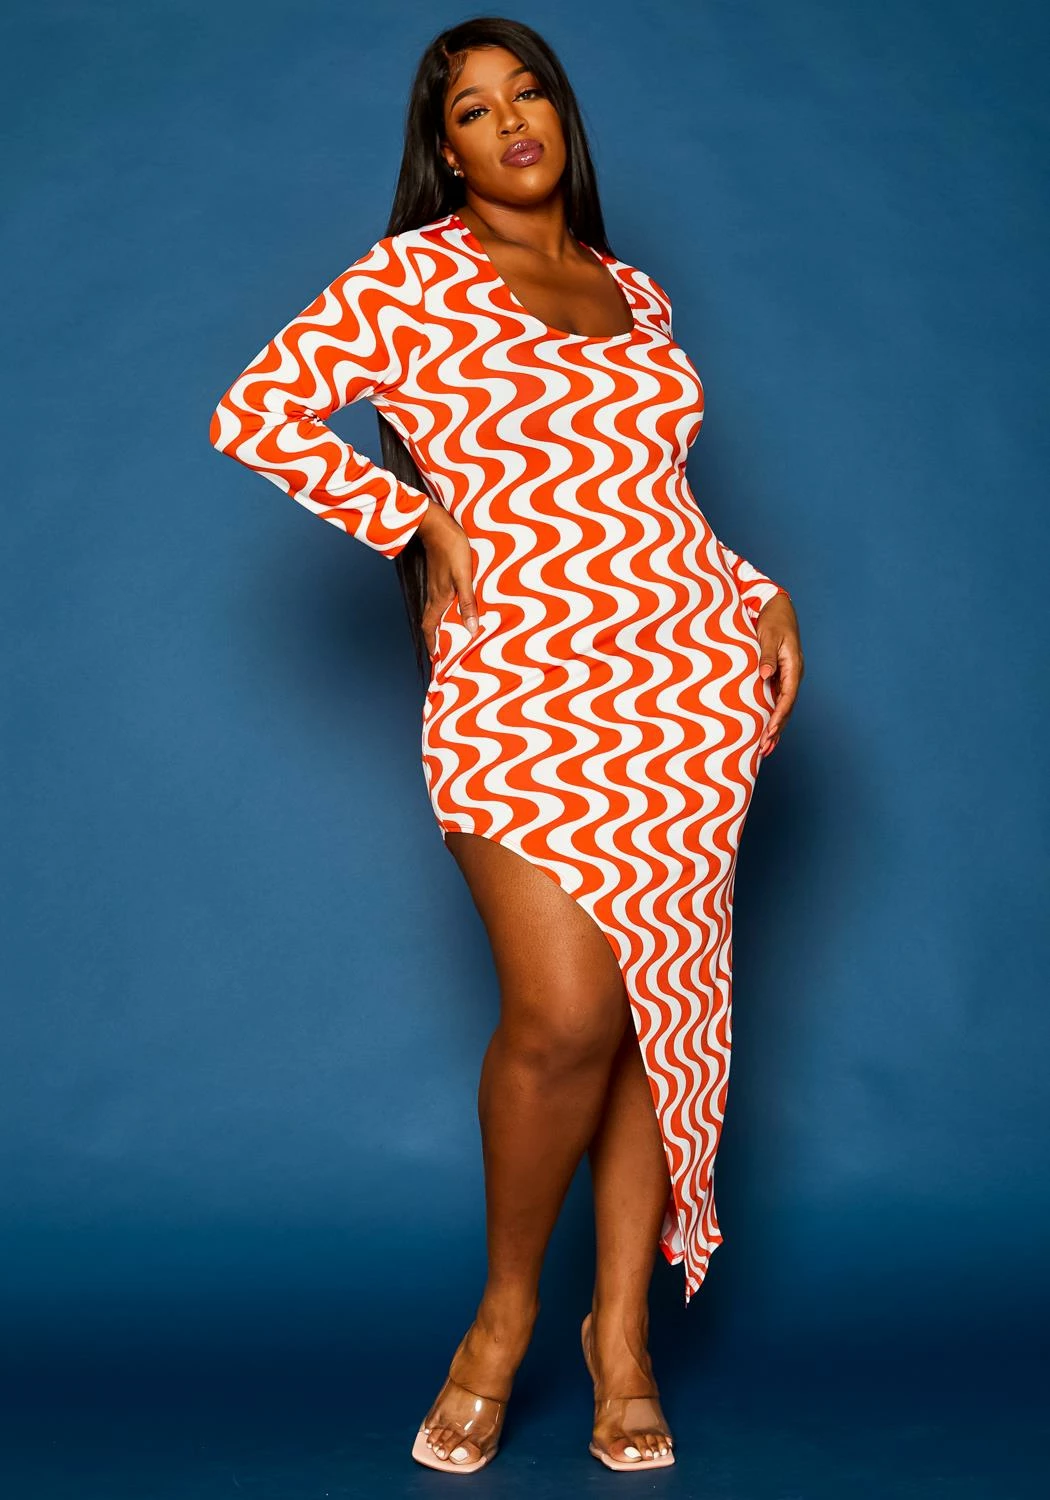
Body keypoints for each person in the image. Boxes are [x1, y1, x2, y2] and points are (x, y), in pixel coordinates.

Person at [209, 16, 804, 1477]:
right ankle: (503, 1318)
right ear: (447, 147)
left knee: (653, 1011)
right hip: (520, 684)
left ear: (561, 115)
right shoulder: (412, 277)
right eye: (473, 108)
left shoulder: (631, 288)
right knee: (563, 1015)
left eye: (527, 90)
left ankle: (623, 1337)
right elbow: (256, 412)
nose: (510, 119)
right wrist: (412, 521)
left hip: (687, 680)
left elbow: (651, 498)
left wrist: (756, 588)